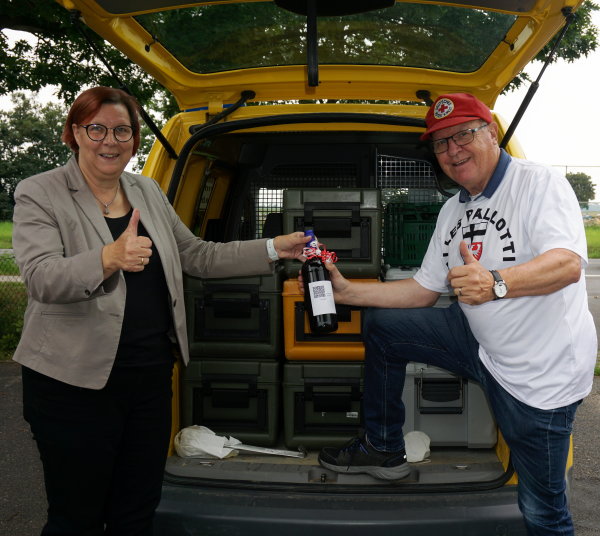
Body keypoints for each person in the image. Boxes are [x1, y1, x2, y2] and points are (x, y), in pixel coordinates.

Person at [12, 86, 307, 536]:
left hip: (148, 377)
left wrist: (272, 247)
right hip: (71, 384)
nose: (109, 141)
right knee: (76, 516)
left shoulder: (146, 190)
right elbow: (41, 277)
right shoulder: (40, 192)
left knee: (137, 511)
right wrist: (109, 257)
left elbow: (198, 255)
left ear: (134, 140)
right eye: (96, 129)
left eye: (122, 131)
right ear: (74, 132)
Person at [314, 93, 597, 536]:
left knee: (543, 510)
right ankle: (383, 445)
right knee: (385, 328)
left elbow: (566, 264)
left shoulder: (537, 183)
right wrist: (349, 291)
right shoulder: (453, 210)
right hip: (479, 343)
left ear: (492, 134)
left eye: (463, 134)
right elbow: (423, 291)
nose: (452, 150)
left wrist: (496, 283)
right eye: (441, 143)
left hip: (540, 374)